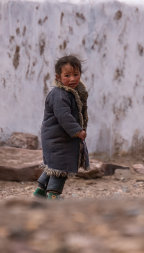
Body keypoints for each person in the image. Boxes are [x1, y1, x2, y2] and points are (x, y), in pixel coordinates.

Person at [33, 55, 90, 199]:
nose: (72, 79)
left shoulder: (70, 93)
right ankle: (53, 194)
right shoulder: (59, 95)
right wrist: (77, 130)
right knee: (61, 167)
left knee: (53, 165)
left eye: (76, 74)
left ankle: (40, 192)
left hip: (59, 137)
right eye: (67, 75)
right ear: (58, 77)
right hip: (57, 138)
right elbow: (63, 116)